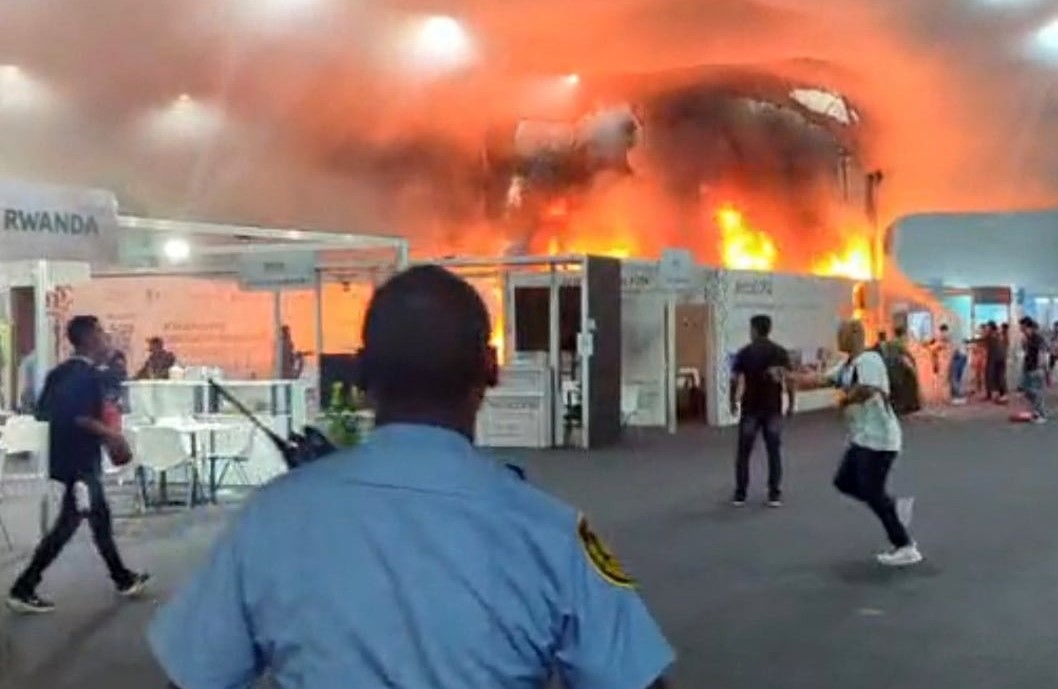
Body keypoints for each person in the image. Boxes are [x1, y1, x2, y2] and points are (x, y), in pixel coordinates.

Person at [148, 265, 674, 689]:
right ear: (490, 368)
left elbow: (194, 674)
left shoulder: (268, 521)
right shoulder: (552, 534)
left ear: (360, 374)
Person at [6, 316, 150, 614]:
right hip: (80, 463)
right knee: (68, 526)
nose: (106, 337)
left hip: (72, 461)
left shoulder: (61, 373)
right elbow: (77, 416)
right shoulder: (83, 376)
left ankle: (122, 578)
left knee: (97, 520)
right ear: (89, 339)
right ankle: (23, 587)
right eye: (100, 332)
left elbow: (43, 412)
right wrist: (110, 434)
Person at [795, 320, 921, 566]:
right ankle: (890, 508)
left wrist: (845, 401)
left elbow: (868, 389)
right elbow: (823, 380)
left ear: (855, 336)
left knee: (872, 491)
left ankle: (905, 546)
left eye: (841, 334)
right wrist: (792, 378)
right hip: (862, 438)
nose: (838, 338)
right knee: (844, 482)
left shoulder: (869, 361)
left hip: (880, 439)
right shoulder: (847, 364)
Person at [729, 314, 794, 507]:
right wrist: (791, 402)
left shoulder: (745, 352)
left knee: (744, 452)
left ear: (755, 330)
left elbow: (735, 380)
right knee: (773, 451)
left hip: (750, 407)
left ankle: (740, 494)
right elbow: (789, 380)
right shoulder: (780, 352)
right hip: (772, 407)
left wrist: (732, 401)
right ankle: (774, 494)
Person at [1018, 318, 1049, 423]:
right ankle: (1036, 411)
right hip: (1028, 368)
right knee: (1027, 391)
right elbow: (1026, 352)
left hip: (1036, 368)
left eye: (1022, 326)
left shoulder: (1037, 338)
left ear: (1027, 327)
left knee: (1037, 392)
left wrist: (1042, 367)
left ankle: (1041, 414)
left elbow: (1043, 352)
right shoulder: (1027, 338)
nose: (1020, 329)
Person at [942, 324, 968, 405]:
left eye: (942, 333)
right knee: (957, 377)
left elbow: (954, 350)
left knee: (953, 376)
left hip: (959, 356)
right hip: (963, 356)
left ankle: (958, 397)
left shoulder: (951, 337)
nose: (942, 335)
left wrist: (949, 361)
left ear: (945, 331)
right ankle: (957, 397)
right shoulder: (953, 335)